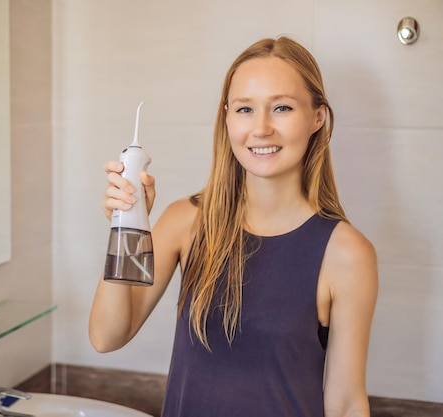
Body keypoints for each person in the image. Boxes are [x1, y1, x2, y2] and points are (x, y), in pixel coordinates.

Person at [89, 36, 378, 417]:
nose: (260, 128)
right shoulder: (186, 221)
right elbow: (107, 336)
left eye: (282, 107)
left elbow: (344, 404)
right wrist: (125, 225)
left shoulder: (346, 252)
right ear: (226, 117)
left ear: (317, 117)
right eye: (244, 109)